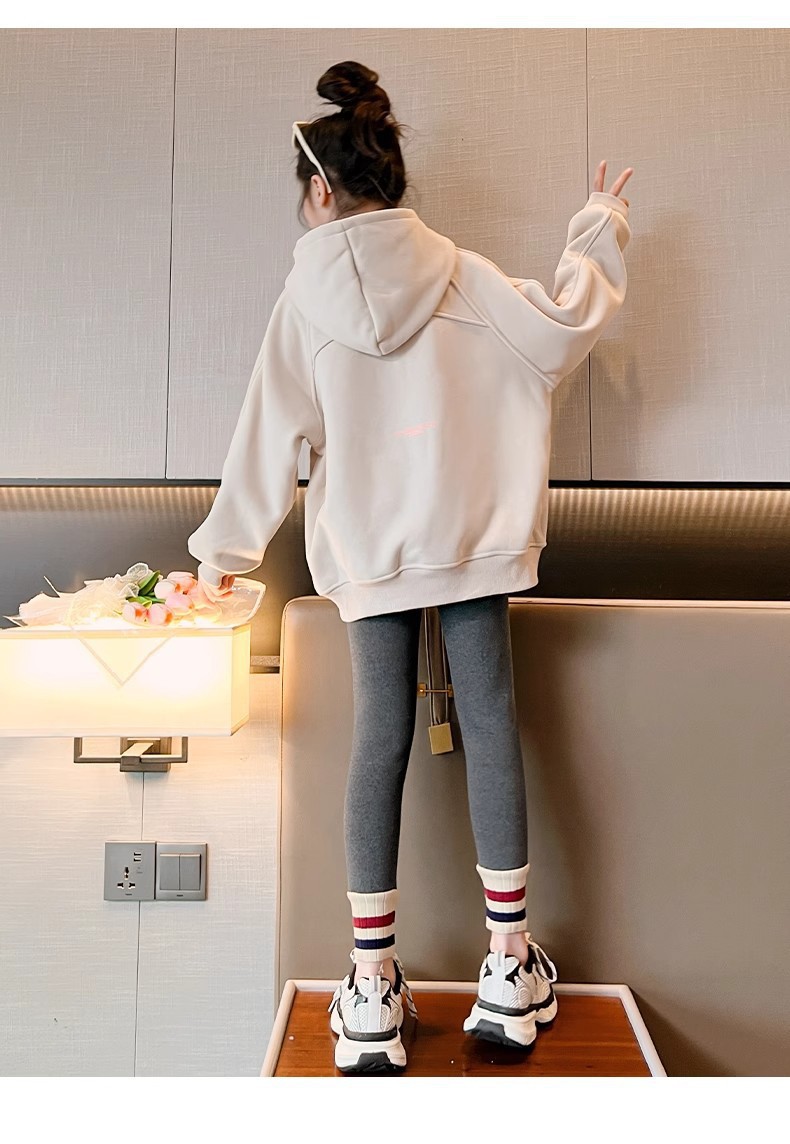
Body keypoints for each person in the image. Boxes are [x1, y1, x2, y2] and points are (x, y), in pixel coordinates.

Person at [187, 59, 632, 1075]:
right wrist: (598, 226)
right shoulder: (464, 273)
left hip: (369, 555)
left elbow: (266, 439)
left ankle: (371, 988)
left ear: (318, 190)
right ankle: (509, 969)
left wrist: (223, 556)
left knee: (378, 737)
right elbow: (563, 330)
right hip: (472, 543)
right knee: (493, 725)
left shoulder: (302, 304)